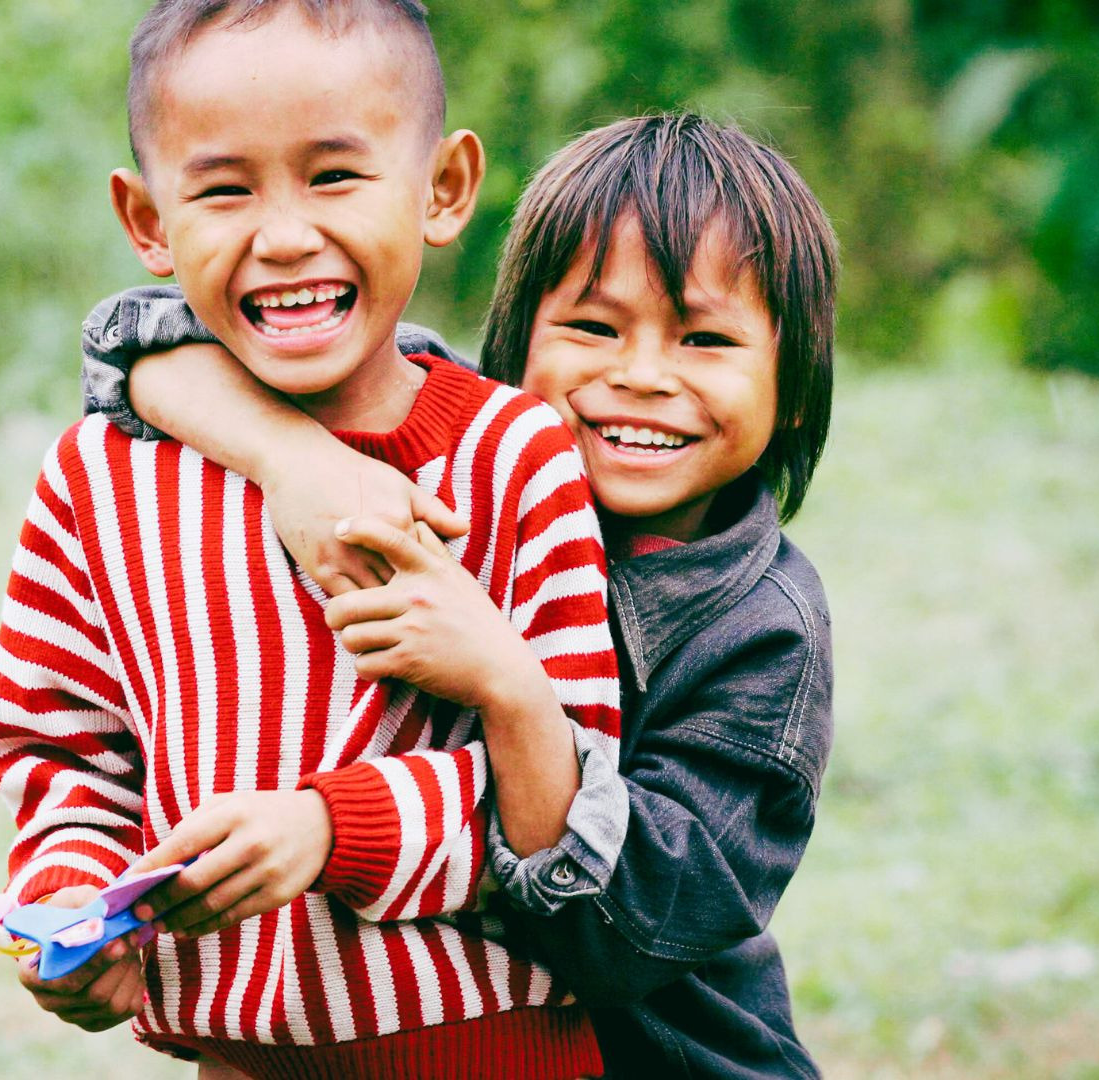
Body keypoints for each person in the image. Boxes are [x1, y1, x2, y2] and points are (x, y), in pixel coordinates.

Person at [80, 112, 838, 1077]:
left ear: (795, 385)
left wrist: (511, 688)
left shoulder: (766, 632)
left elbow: (625, 935)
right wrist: (291, 456)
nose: (641, 375)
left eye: (706, 339)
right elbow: (134, 342)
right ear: (511, 349)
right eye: (593, 327)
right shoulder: (451, 458)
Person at [0, 2, 622, 1076]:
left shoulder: (512, 456)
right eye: (224, 190)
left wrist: (332, 829)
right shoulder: (100, 479)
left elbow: (569, 796)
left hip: (488, 1047)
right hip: (235, 1056)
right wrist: (71, 900)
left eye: (334, 176)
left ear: (443, 189)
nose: (282, 236)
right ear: (147, 220)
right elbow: (62, 753)